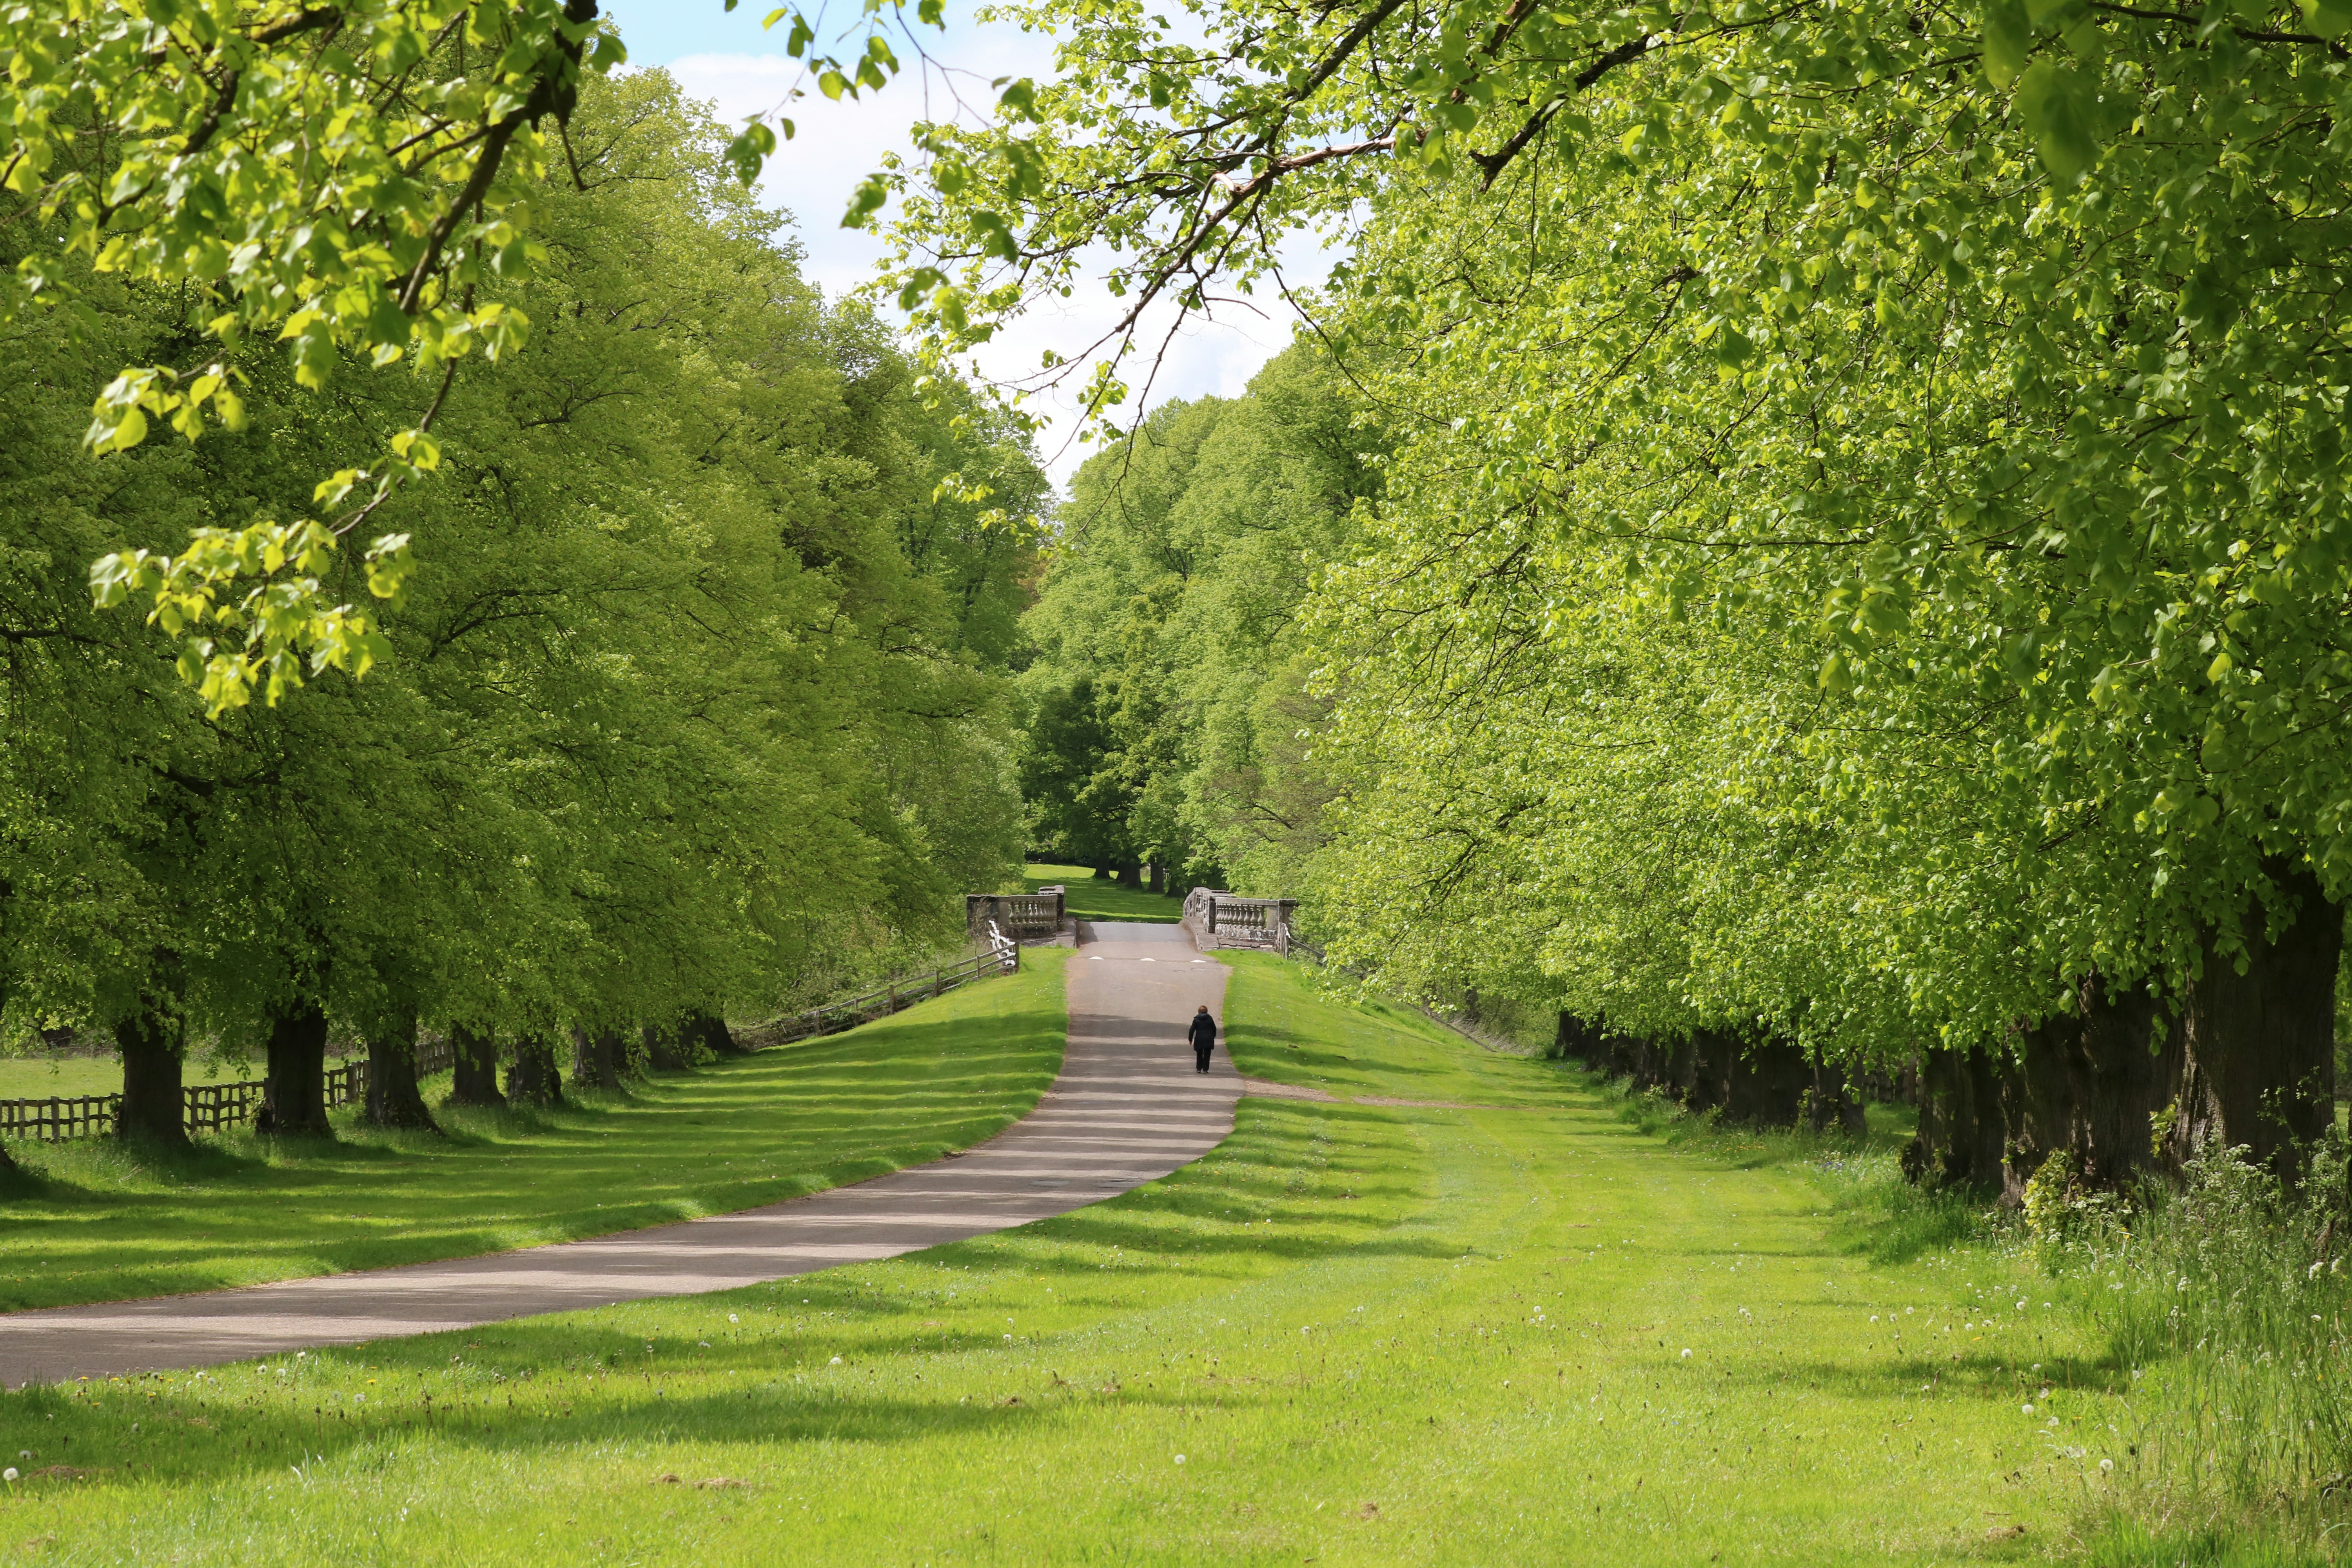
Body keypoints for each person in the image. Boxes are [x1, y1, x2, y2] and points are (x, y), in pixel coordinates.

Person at [1188, 1004, 1217, 1074]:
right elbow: (1214, 1029)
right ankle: (1205, 1069)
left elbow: (1192, 1030)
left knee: (1199, 1054)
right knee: (1207, 1054)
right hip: (1208, 1038)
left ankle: (1199, 1068)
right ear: (1207, 1011)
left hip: (1199, 1038)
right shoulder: (1210, 1019)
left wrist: (1190, 1039)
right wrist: (1213, 1037)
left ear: (1199, 1012)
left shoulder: (1196, 1019)